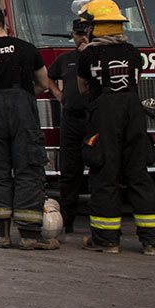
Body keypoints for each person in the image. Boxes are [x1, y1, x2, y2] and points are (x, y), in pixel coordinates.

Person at [76, 0, 155, 256]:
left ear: (94, 28)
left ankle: (106, 241)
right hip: (134, 113)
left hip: (104, 117)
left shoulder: (89, 54)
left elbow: (83, 88)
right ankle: (152, 242)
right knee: (139, 175)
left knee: (105, 175)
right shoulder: (133, 53)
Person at [0, 6, 57, 250]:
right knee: (28, 168)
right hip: (23, 111)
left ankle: (2, 234)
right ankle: (30, 235)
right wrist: (22, 94)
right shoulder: (27, 48)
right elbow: (43, 82)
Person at [47, 18, 91, 233]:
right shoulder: (66, 60)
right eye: (77, 34)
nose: (81, 38)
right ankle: (68, 221)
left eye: (85, 34)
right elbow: (48, 77)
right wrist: (58, 94)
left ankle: (102, 220)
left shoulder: (98, 57)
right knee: (70, 171)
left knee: (101, 169)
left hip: (95, 118)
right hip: (71, 119)